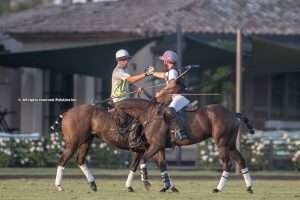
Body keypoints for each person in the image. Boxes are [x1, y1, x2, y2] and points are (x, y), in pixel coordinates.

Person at [111, 49, 153, 150]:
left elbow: (128, 83)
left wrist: (136, 89)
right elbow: (131, 79)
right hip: (119, 101)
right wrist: (146, 74)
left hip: (125, 100)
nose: (127, 62)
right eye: (125, 60)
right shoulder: (118, 71)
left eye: (127, 59)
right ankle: (133, 140)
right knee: (141, 110)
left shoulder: (124, 70)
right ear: (119, 60)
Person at [151, 50, 190, 141]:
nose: (163, 62)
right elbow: (163, 75)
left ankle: (181, 132)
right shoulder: (170, 72)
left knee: (169, 110)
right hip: (176, 97)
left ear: (167, 61)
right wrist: (151, 73)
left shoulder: (172, 71)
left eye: (164, 60)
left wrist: (160, 93)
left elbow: (172, 84)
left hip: (180, 97)